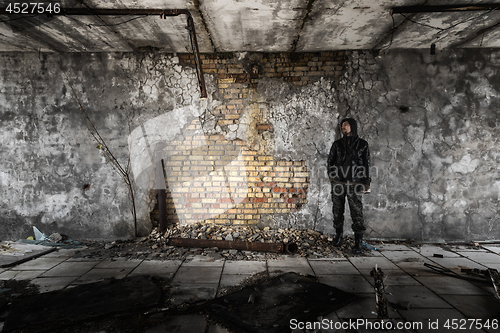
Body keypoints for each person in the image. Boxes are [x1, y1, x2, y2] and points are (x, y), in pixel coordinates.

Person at [327, 118, 371, 253]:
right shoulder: (337, 144)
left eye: (346, 125)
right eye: (342, 125)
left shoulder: (363, 144)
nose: (343, 127)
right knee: (337, 210)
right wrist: (333, 175)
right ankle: (338, 236)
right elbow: (330, 162)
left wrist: (366, 183)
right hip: (338, 183)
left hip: (355, 182)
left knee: (357, 212)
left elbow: (366, 164)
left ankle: (358, 242)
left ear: (352, 126)